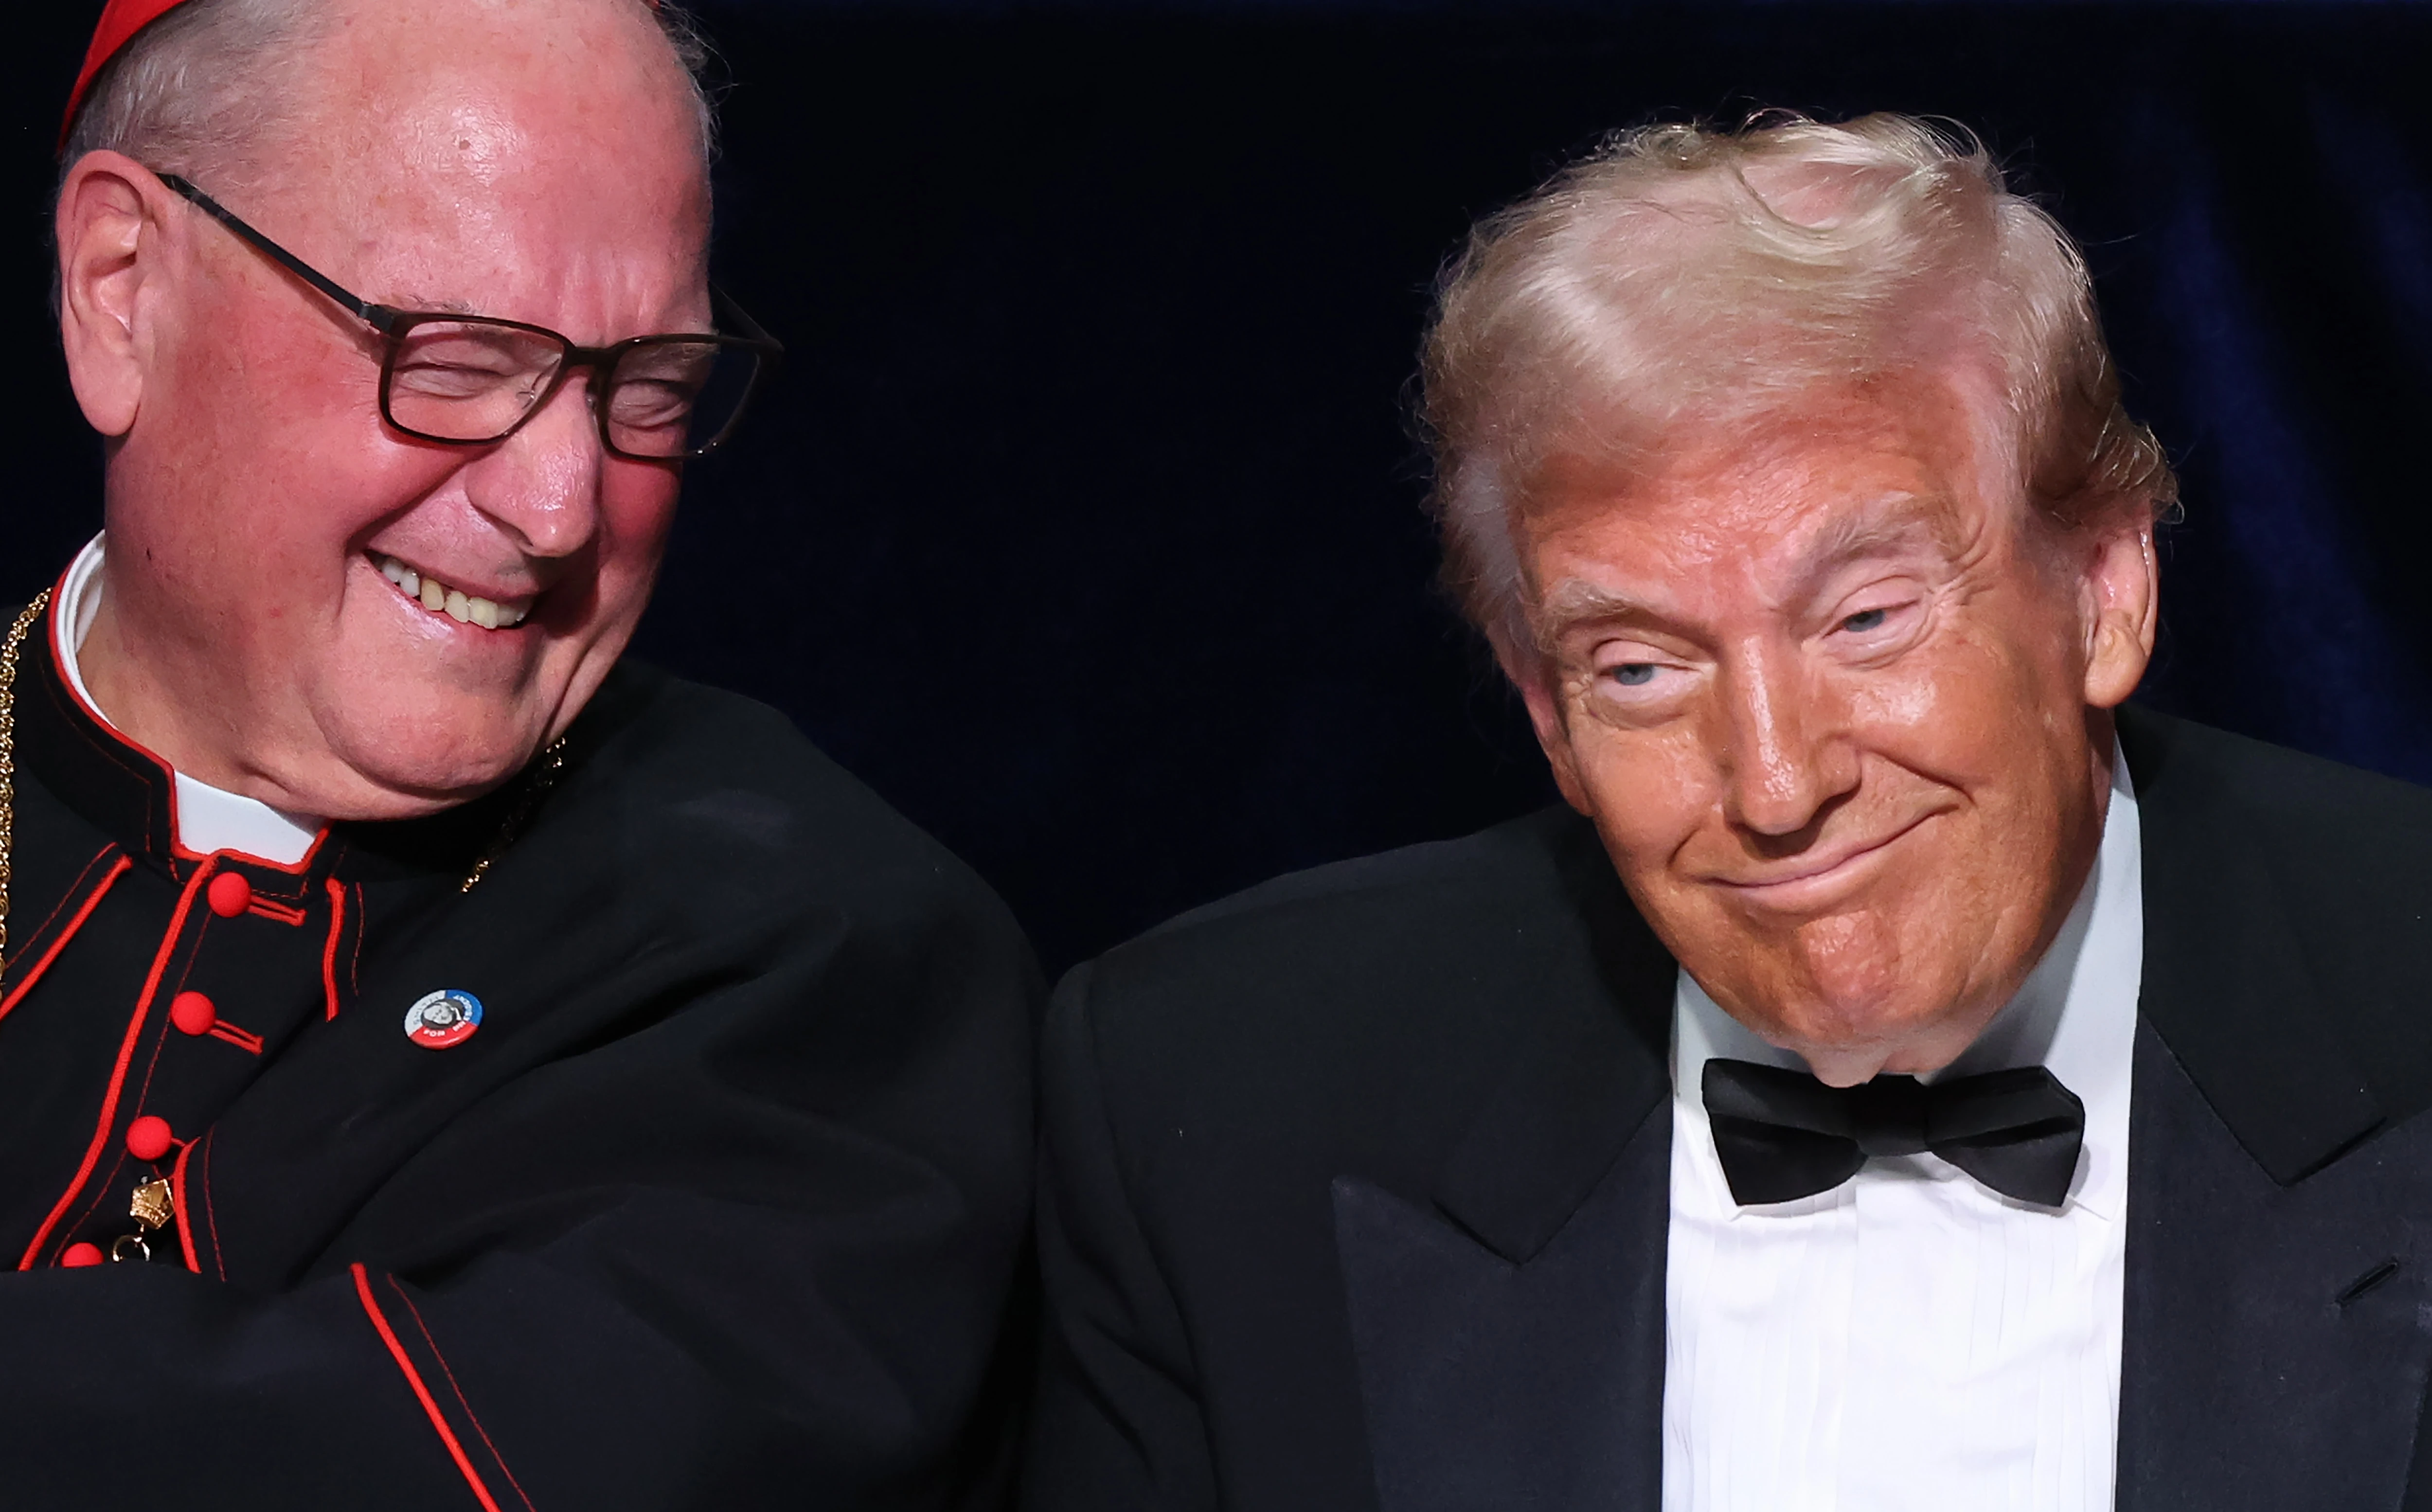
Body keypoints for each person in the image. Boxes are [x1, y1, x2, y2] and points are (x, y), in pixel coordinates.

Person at [1025, 112, 2432, 1511]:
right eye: (1638, 666)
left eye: (1868, 617)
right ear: (1545, 713)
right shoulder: (1213, 1108)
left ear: (2105, 588)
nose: (1775, 784)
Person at [7, 0, 1037, 1504]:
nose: (561, 506)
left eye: (650, 389)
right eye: (455, 356)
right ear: (121, 290)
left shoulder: (831, 953)